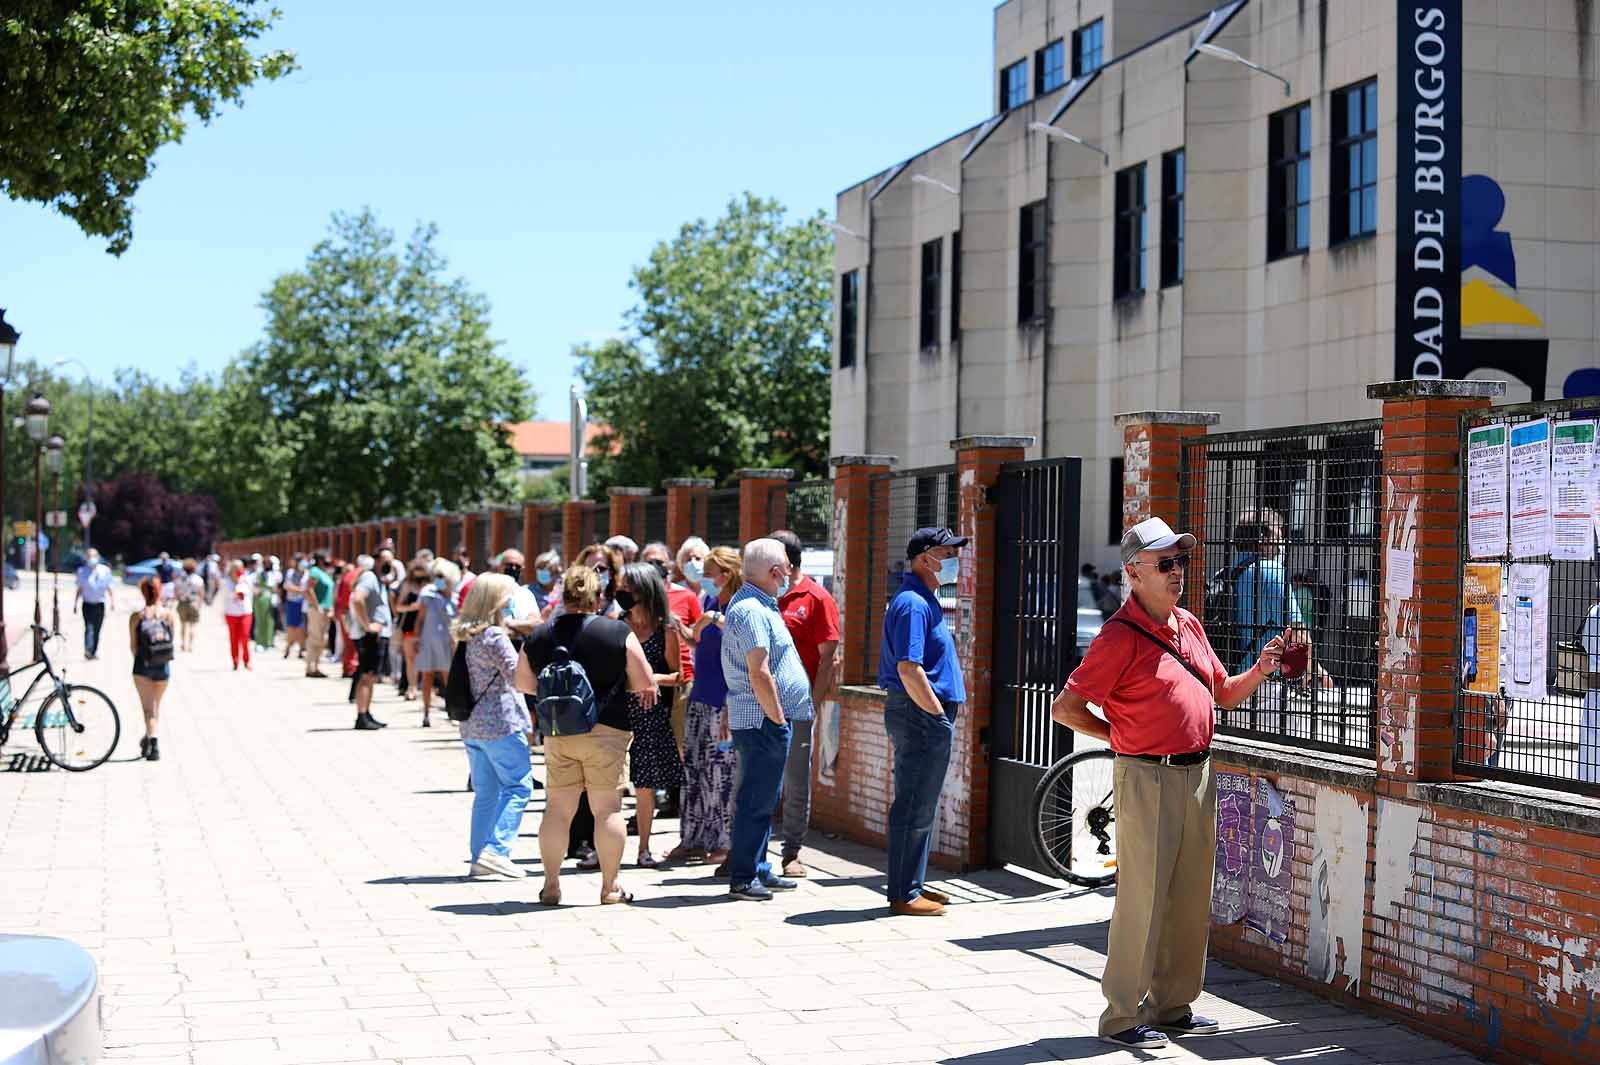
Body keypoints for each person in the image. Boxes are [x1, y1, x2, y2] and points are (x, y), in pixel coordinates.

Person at [1051, 516, 1286, 1049]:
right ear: (1134, 572)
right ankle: (1120, 1015)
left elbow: (1222, 692)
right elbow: (1066, 708)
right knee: (1143, 897)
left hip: (1198, 772)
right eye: (1165, 563)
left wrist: (1261, 668)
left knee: (1188, 895)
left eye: (1181, 560)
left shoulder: (1190, 625)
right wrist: (1119, 735)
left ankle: (1173, 1005)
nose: (1177, 571)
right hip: (1146, 776)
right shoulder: (1119, 636)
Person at [517, 564, 659, 905]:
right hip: (608, 731)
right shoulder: (616, 632)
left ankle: (551, 885)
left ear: (564, 595)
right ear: (598, 596)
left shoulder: (540, 635)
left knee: (557, 811)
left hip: (559, 733)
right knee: (607, 810)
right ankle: (609, 888)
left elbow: (522, 683)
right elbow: (643, 682)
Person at [877, 527, 968, 917]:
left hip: (922, 712)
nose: (953, 559)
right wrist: (935, 716)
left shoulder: (923, 599)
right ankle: (904, 893)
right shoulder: (914, 603)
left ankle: (911, 882)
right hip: (920, 713)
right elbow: (909, 668)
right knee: (914, 803)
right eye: (946, 552)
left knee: (921, 803)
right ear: (924, 558)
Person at [721, 538, 812, 901]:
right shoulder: (753, 611)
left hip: (765, 720)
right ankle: (743, 878)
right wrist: (776, 719)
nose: (790, 574)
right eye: (787, 568)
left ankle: (758, 867)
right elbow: (759, 672)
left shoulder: (758, 606)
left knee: (763, 798)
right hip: (763, 722)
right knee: (757, 801)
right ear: (775, 571)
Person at [452, 574, 533, 880]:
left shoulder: (467, 634)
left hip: (472, 723)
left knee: (486, 792)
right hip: (501, 721)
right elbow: (517, 677)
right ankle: (497, 851)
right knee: (519, 785)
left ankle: (479, 857)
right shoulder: (496, 637)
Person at [772, 528, 839, 879]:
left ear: (786, 561)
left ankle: (792, 852)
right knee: (752, 777)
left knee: (796, 781)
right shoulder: (763, 594)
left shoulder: (816, 598)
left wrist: (812, 704)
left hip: (797, 706)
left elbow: (828, 657)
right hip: (759, 703)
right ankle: (745, 850)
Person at [674, 545, 740, 865]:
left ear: (727, 575)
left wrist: (713, 618)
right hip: (701, 695)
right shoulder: (711, 601)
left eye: (712, 574)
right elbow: (700, 642)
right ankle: (694, 839)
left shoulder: (740, 606)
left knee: (721, 774)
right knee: (696, 771)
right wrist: (682, 630)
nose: (706, 579)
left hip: (724, 701)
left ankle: (724, 843)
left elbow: (742, 642)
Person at [615, 561, 682, 867]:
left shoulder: (666, 628)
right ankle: (604, 846)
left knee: (645, 784)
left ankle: (644, 848)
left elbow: (678, 674)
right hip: (618, 713)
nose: (622, 593)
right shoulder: (619, 623)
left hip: (650, 715)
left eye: (629, 588)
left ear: (644, 590)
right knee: (611, 784)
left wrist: (654, 679)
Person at [128, 577, 177, 762]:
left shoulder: (137, 617)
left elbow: (133, 646)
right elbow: (172, 642)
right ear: (160, 592)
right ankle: (149, 737)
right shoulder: (168, 615)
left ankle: (153, 743)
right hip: (163, 667)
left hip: (142, 667)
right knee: (156, 707)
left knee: (148, 709)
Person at [415, 559, 459, 727]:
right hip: (428, 642)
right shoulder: (427, 594)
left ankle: (452, 712)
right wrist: (416, 638)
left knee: (449, 679)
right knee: (427, 678)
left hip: (447, 644)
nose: (438, 579)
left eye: (442, 576)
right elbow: (419, 619)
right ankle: (426, 713)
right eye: (436, 576)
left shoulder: (454, 599)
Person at [349, 555, 391, 731]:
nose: (389, 563)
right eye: (386, 560)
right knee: (367, 676)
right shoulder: (370, 577)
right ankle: (361, 716)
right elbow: (358, 598)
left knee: (371, 676)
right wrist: (367, 625)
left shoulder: (377, 579)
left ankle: (366, 713)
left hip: (377, 636)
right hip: (371, 637)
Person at [394, 560, 429, 699]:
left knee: (427, 659)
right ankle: (412, 687)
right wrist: (411, 607)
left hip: (429, 626)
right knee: (410, 657)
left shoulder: (434, 583)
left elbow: (447, 594)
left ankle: (427, 689)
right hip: (410, 626)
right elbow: (398, 607)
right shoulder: (408, 585)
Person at [73, 548, 115, 659]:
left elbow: (109, 587)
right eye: (89, 556)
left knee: (97, 629)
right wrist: (75, 604)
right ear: (86, 558)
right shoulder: (82, 571)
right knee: (88, 628)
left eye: (94, 556)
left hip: (100, 604)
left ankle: (94, 651)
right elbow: (79, 589)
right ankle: (88, 650)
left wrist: (112, 602)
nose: (92, 558)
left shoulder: (105, 571)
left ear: (98, 557)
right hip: (87, 604)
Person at [304, 552, 335, 678]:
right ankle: (311, 667)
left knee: (322, 639)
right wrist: (318, 606)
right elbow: (309, 589)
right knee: (315, 637)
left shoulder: (324, 572)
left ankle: (316, 666)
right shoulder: (315, 572)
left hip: (326, 609)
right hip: (318, 610)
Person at [222, 559, 253, 670]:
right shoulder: (227, 582)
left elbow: (249, 593)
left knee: (245, 636)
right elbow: (227, 596)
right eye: (236, 569)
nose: (238, 571)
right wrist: (236, 586)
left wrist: (241, 582)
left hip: (245, 612)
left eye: (239, 569)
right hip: (231, 613)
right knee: (233, 638)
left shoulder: (246, 579)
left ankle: (246, 660)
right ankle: (235, 661)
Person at [335, 557, 361, 681]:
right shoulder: (351, 579)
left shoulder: (343, 580)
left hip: (344, 612)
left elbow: (337, 598)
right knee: (351, 642)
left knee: (347, 642)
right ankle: (350, 668)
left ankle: (347, 667)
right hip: (349, 612)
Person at [174, 558, 204, 653]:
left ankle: (183, 644)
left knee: (183, 625)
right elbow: (201, 593)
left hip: (182, 603)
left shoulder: (180, 579)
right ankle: (190, 645)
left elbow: (176, 592)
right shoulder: (198, 579)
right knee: (192, 626)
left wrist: (179, 598)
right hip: (193, 602)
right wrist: (199, 604)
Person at [281, 555, 308, 660]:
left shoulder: (307, 573)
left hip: (303, 603)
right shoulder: (290, 573)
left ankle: (302, 649)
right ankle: (288, 647)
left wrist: (299, 590)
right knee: (291, 627)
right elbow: (288, 586)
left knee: (301, 627)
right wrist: (301, 591)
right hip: (292, 602)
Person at [529, 550, 562, 615]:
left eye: (545, 567)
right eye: (539, 568)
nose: (541, 571)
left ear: (555, 569)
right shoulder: (528, 591)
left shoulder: (564, 589)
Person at [252, 569, 276, 650]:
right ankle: (259, 642)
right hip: (260, 601)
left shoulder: (273, 575)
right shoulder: (258, 575)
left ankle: (268, 642)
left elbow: (275, 589)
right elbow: (255, 588)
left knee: (269, 622)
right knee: (260, 622)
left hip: (270, 601)